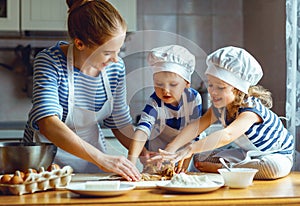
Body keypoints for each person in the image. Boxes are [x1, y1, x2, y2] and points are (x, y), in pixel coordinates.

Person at [22, 0, 141, 181]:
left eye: (119, 50)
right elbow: (48, 123)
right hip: (46, 168)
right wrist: (101, 158)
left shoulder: (115, 68)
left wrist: (145, 152)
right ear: (79, 44)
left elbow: (119, 121)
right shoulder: (49, 62)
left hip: (92, 167)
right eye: (107, 53)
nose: (115, 59)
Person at [150, 46, 294, 180]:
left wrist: (190, 148)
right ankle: (234, 169)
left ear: (238, 89)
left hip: (276, 156)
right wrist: (171, 149)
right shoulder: (220, 107)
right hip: (247, 154)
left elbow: (227, 135)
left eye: (220, 87)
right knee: (199, 158)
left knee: (272, 168)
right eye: (210, 84)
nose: (212, 91)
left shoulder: (251, 110)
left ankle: (228, 169)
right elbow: (197, 126)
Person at [128, 45, 203, 172]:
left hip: (183, 152)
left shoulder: (194, 99)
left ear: (187, 84)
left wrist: (182, 170)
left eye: (173, 84)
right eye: (159, 84)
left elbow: (194, 134)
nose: (165, 90)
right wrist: (130, 164)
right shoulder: (155, 102)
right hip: (156, 153)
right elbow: (142, 131)